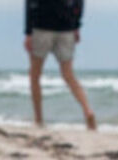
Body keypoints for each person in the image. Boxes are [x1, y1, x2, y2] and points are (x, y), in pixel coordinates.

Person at [25, 0, 96, 131]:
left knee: (35, 75)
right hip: (66, 28)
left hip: (42, 25)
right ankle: (87, 110)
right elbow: (79, 3)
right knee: (69, 74)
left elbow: (30, 3)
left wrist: (28, 32)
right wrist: (76, 25)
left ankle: (39, 119)